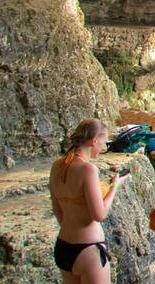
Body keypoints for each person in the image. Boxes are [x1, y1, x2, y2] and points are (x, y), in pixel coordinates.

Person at [49, 118, 131, 283]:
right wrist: (115, 186)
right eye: (104, 142)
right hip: (87, 250)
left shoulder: (57, 166)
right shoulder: (88, 169)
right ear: (94, 140)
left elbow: (58, 210)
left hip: (63, 246)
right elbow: (99, 214)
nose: (103, 147)